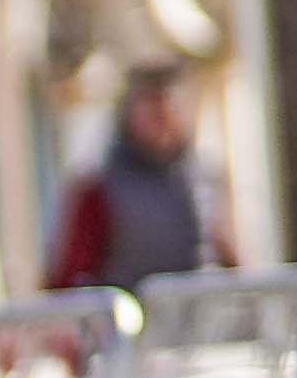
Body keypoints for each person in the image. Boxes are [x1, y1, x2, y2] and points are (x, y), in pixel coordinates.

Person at [46, 60, 226, 290]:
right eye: (153, 112)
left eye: (170, 110)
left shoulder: (204, 180)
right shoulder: (100, 189)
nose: (163, 123)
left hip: (198, 317)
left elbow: (230, 260)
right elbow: (69, 277)